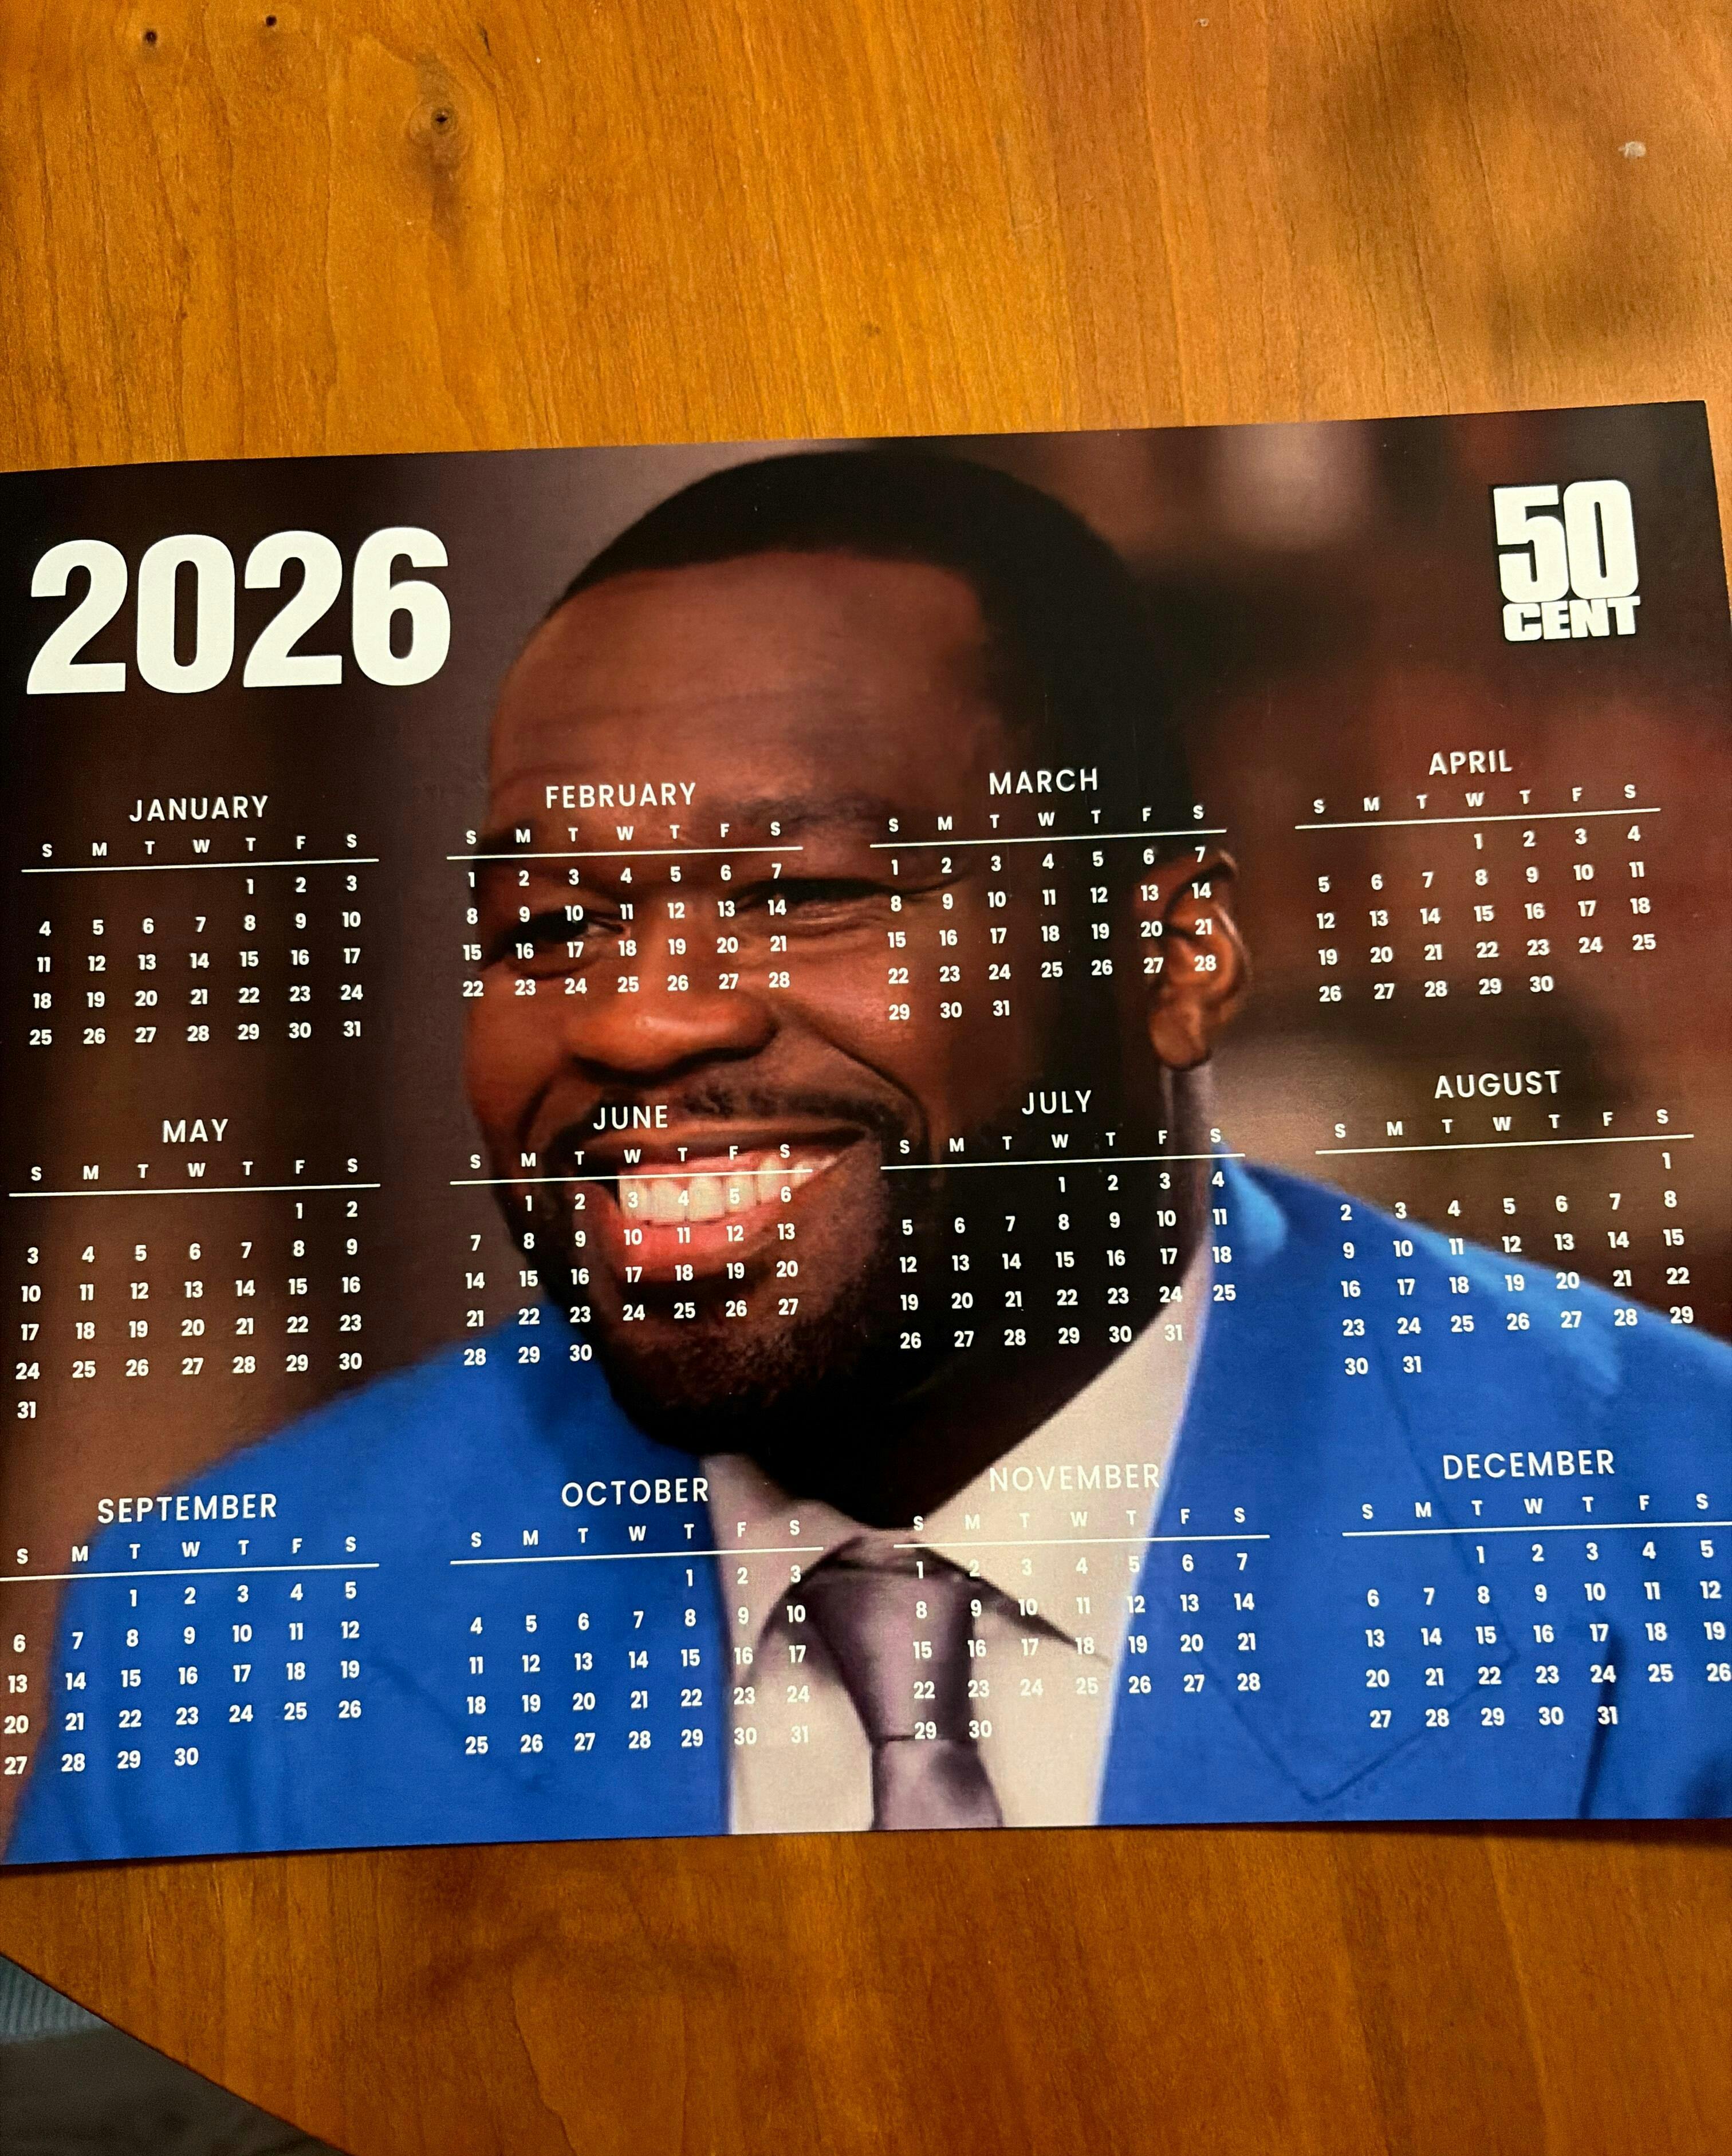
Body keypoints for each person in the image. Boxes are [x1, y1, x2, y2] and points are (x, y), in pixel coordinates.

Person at [11, 450, 1731, 1863]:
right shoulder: (231, 1633)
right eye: (546, 923)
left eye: (801, 893)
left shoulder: (1678, 1527)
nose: (636, 1023)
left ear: (1172, 956)